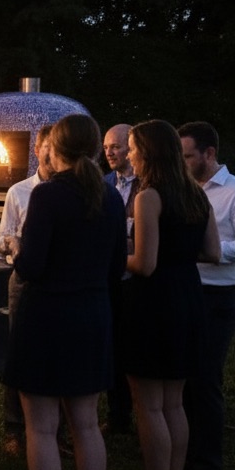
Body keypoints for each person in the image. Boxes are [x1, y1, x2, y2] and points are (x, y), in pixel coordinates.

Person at [3, 114, 126, 470]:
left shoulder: (49, 195)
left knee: (41, 427)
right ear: (95, 149)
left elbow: (32, 266)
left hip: (47, 318)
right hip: (92, 316)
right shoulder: (111, 198)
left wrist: (17, 248)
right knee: (87, 425)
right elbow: (116, 268)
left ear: (55, 147)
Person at [123, 120, 220, 470]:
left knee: (149, 405)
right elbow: (213, 252)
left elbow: (144, 264)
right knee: (174, 402)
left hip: (153, 302)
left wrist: (111, 256)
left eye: (132, 148)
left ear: (147, 153)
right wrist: (178, 254)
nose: (129, 155)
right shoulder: (198, 196)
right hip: (188, 298)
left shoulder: (149, 196)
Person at [176, 121, 235, 470]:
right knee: (181, 379)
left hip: (219, 296)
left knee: (205, 380)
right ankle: (183, 456)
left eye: (187, 156)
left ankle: (208, 468)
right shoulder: (182, 190)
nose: (182, 163)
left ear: (209, 154)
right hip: (185, 292)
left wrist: (208, 253)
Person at [0, 124, 53, 457]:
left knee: (54, 354)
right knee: (18, 352)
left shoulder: (69, 191)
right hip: (24, 281)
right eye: (45, 145)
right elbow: (1, 238)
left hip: (57, 283)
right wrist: (13, 245)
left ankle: (54, 430)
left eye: (54, 146)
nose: (49, 152)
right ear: (36, 149)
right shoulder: (19, 191)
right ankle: (14, 428)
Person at [101, 122, 137, 436]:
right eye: (107, 147)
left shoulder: (149, 186)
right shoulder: (104, 184)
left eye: (117, 146)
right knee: (112, 347)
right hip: (111, 279)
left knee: (134, 349)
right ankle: (117, 415)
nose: (110, 152)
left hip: (138, 281)